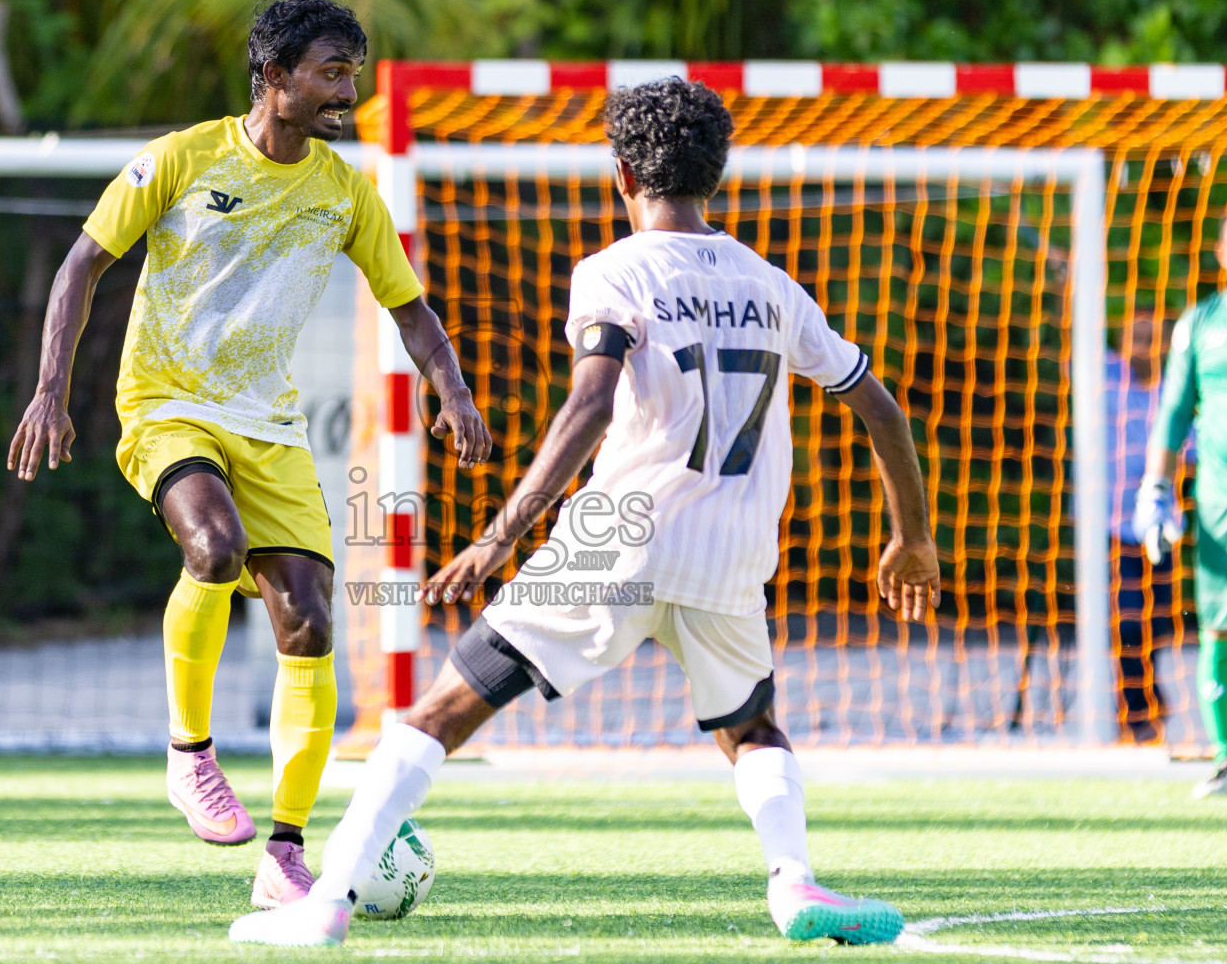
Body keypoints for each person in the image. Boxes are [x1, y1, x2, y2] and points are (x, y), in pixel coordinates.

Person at [228, 76, 941, 949]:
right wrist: (911, 538)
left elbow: (592, 405)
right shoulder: (772, 286)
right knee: (751, 724)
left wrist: (499, 537)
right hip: (734, 549)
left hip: (620, 536)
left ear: (619, 176)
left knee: (441, 711)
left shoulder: (613, 270)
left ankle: (328, 900)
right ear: (716, 175)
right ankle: (793, 883)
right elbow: (881, 408)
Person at [6, 0, 490, 904]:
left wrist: (453, 390)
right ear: (273, 78)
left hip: (268, 424)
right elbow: (83, 263)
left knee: (308, 624)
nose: (350, 87)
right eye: (332, 71)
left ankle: (286, 855)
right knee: (214, 549)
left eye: (353, 69)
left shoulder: (346, 190)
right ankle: (189, 753)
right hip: (167, 404)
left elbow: (410, 308)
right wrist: (50, 393)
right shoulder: (183, 158)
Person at [1135, 204, 1227, 798]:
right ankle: (1225, 759)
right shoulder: (1201, 322)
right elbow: (1172, 411)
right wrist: (1156, 487)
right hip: (1226, 499)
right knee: (1222, 627)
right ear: (1223, 253)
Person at [1108, 315, 1176, 741]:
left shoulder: (1178, 387)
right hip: (1110, 524)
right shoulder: (1103, 374)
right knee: (1126, 621)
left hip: (1161, 526)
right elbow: (1064, 331)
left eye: (1151, 337)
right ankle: (1137, 713)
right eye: (1135, 336)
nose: (1142, 345)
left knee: (1158, 624)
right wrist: (1064, 285)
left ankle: (1147, 703)